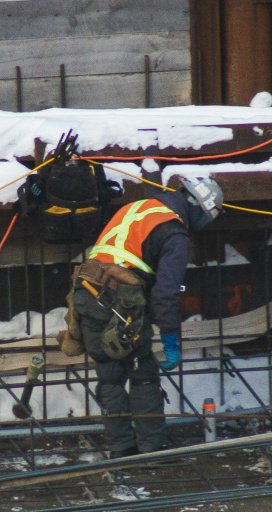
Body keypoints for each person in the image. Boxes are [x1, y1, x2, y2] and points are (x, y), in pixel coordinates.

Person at [70, 177, 223, 458]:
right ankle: (152, 450)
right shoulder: (174, 233)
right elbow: (165, 294)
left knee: (109, 377)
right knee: (142, 376)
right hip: (122, 301)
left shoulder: (138, 206)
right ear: (200, 210)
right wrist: (170, 339)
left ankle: (121, 449)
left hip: (86, 292)